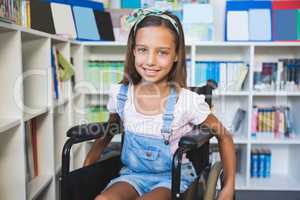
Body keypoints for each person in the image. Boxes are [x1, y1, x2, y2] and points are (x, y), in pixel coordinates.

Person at [84, 8, 236, 200]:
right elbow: (111, 129)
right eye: (142, 50)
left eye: (162, 52)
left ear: (176, 55)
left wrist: (228, 187)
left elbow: (225, 137)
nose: (150, 61)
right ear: (133, 51)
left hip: (173, 177)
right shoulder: (120, 94)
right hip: (132, 175)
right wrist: (89, 160)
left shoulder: (187, 101)